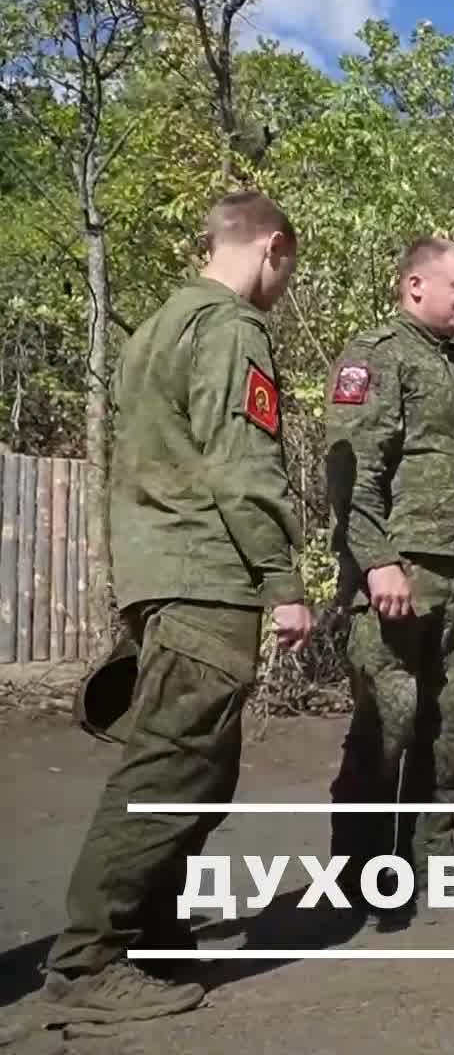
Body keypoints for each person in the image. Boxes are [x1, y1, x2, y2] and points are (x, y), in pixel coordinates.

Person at [40, 191, 313, 1023]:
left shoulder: (157, 328)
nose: (283, 287)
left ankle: (154, 932)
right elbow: (242, 467)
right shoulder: (231, 329)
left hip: (160, 568)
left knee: (199, 767)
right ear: (270, 247)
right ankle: (90, 959)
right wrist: (283, 580)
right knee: (173, 765)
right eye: (287, 270)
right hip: (207, 573)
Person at [323, 237, 454, 928]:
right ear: (415, 286)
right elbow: (352, 470)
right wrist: (377, 562)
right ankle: (359, 870)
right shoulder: (378, 355)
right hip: (399, 574)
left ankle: (428, 859)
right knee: (391, 719)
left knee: (451, 722)